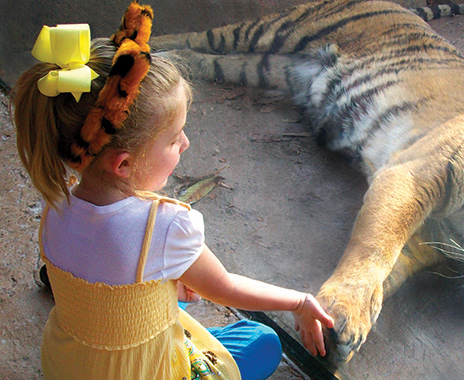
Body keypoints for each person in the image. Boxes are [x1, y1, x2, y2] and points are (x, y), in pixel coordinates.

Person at [11, 3, 333, 380]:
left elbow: (101, 262)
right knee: (262, 341)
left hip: (67, 367)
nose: (186, 143)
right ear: (124, 164)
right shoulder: (164, 226)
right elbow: (225, 287)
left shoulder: (56, 204)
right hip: (146, 372)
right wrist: (299, 301)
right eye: (173, 138)